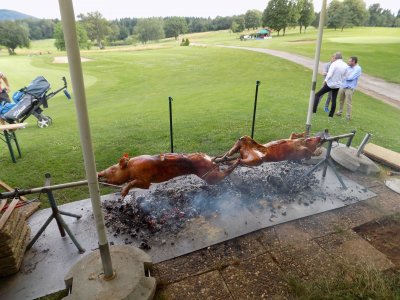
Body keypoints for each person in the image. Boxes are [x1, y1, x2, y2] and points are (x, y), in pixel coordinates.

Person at [313, 52, 348, 118]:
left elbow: (329, 73)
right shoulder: (345, 65)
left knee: (317, 95)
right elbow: (345, 76)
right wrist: (340, 82)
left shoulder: (334, 64)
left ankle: (313, 110)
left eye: (334, 57)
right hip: (337, 85)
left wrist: (325, 81)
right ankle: (331, 115)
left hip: (330, 84)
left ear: (336, 58)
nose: (333, 58)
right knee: (334, 99)